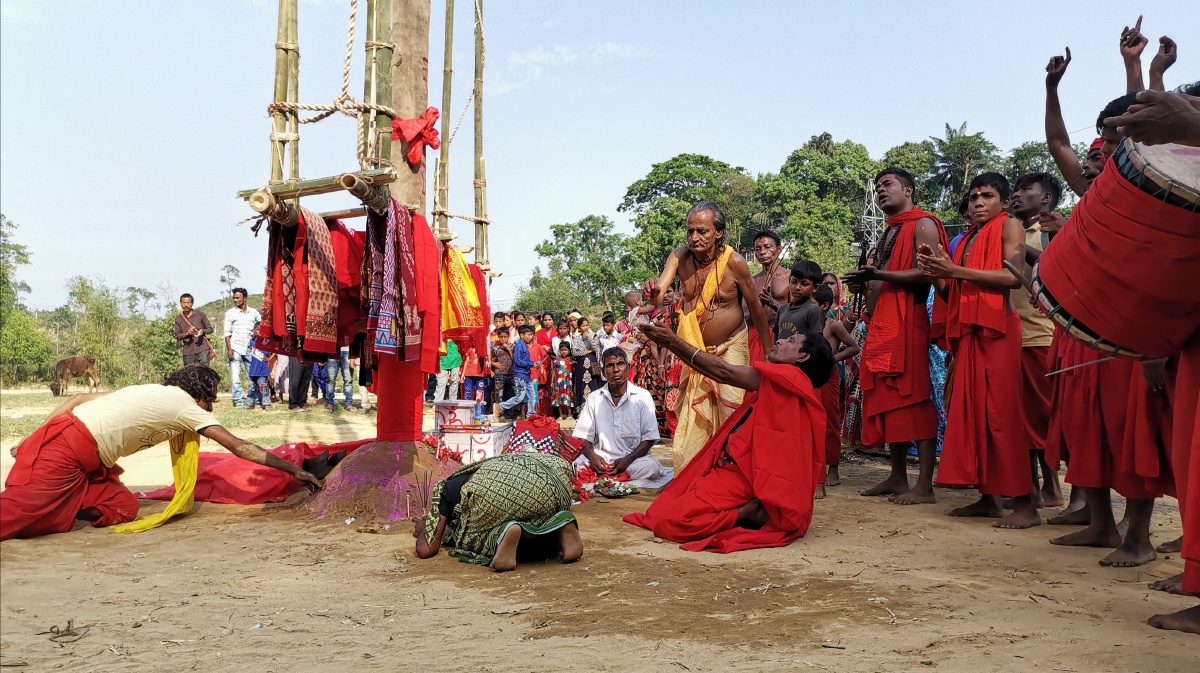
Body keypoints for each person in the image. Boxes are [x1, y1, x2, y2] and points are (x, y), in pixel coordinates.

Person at [0, 367, 321, 540]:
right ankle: (49, 506)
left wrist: (34, 435)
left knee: (122, 506)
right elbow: (239, 446)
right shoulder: (185, 406)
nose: (210, 408)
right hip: (66, 449)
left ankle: (60, 506)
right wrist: (293, 470)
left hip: (86, 461)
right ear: (200, 396)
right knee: (20, 511)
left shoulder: (154, 392)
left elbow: (81, 397)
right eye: (210, 400)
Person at [624, 321, 834, 552]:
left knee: (670, 523)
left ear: (802, 357)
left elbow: (722, 371)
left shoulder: (788, 378)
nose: (780, 340)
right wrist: (672, 344)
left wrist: (672, 341)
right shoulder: (795, 385)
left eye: (791, 342)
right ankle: (743, 508)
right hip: (741, 472)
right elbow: (715, 372)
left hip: (743, 476)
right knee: (667, 505)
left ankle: (748, 511)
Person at [918, 172, 1037, 529]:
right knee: (974, 416)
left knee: (1003, 416)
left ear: (1003, 201)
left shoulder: (1009, 226)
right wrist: (936, 271)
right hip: (970, 332)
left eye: (986, 196)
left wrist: (954, 269)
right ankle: (989, 499)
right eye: (973, 197)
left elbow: (1013, 277)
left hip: (999, 329)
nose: (978, 202)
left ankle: (1027, 504)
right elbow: (950, 292)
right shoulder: (966, 238)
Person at [842, 168, 947, 505]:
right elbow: (883, 277)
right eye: (877, 187)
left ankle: (925, 486)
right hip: (883, 325)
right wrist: (865, 283)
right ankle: (898, 477)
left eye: (887, 185)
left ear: (909, 189)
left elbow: (931, 272)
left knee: (914, 400)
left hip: (908, 323)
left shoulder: (924, 224)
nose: (880, 191)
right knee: (890, 402)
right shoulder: (889, 231)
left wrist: (880, 274)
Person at [643, 202, 773, 471]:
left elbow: (756, 309)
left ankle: (734, 474)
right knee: (694, 417)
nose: (694, 238)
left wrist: (769, 351)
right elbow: (658, 295)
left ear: (719, 233)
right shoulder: (679, 258)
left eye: (702, 231)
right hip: (695, 351)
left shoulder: (734, 262)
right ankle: (695, 477)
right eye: (690, 231)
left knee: (733, 413)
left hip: (732, 348)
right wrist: (652, 291)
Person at [415, 453, 582, 571]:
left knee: (471, 539)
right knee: (536, 519)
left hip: (494, 492)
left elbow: (426, 549)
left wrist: (426, 528)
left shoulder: (443, 489)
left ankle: (503, 533)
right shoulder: (486, 467)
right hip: (554, 483)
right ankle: (561, 522)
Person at [1010, 173, 1065, 508]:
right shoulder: (1017, 228)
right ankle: (1033, 487)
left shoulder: (1053, 232)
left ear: (1045, 199)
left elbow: (1055, 267)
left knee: (1043, 417)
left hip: (1040, 335)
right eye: (1015, 190)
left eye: (1026, 190)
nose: (1017, 195)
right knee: (1023, 418)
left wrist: (1016, 245)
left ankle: (1052, 487)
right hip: (1015, 336)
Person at [573, 348, 672, 489]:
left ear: (628, 368)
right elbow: (583, 437)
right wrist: (593, 456)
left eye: (620, 364)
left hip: (632, 461)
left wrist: (628, 459)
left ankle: (608, 479)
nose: (616, 370)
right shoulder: (594, 398)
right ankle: (614, 478)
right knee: (575, 463)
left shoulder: (642, 396)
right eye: (610, 365)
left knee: (650, 467)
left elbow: (649, 439)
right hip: (601, 462)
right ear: (602, 372)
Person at [813, 285, 859, 496]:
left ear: (824, 306)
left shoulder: (833, 325)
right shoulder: (805, 323)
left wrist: (833, 359)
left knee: (830, 420)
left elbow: (853, 347)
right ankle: (814, 469)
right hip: (808, 375)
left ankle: (833, 468)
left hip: (828, 375)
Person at [747, 230, 791, 361]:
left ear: (778, 249)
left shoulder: (790, 278)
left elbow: (798, 312)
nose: (762, 252)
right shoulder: (752, 281)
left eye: (767, 247)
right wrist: (757, 307)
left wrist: (774, 304)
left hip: (783, 335)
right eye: (758, 248)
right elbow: (744, 318)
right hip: (755, 335)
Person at [223, 288, 261, 409]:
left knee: (252, 376)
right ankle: (238, 399)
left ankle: (253, 398)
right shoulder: (230, 313)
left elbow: (262, 325)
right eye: (234, 298)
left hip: (250, 348)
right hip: (235, 348)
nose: (235, 300)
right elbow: (227, 333)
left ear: (245, 298)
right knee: (235, 377)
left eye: (237, 297)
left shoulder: (254, 313)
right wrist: (229, 349)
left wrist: (256, 333)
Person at [770, 260, 824, 340]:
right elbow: (775, 338)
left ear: (815, 288)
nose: (797, 287)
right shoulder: (782, 309)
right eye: (794, 282)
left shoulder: (813, 311)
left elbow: (816, 343)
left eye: (804, 284)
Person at [500, 326, 536, 420]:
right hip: (520, 375)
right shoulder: (519, 346)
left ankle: (531, 415)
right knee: (520, 396)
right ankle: (501, 406)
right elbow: (517, 361)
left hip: (526, 375)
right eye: (528, 334)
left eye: (532, 334)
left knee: (532, 396)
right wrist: (531, 364)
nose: (531, 337)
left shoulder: (524, 345)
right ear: (521, 335)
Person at [174, 293, 214, 367]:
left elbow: (210, 329)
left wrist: (202, 331)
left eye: (188, 302)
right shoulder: (178, 319)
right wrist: (186, 334)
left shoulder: (200, 315)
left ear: (192, 303)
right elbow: (177, 335)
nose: (186, 305)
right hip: (188, 351)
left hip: (202, 349)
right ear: (180, 303)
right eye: (184, 302)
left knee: (204, 373)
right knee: (189, 375)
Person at [571, 317, 603, 407]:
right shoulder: (576, 338)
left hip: (592, 366)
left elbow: (597, 349)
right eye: (583, 326)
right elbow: (573, 351)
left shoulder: (594, 336)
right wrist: (584, 352)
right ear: (579, 328)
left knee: (593, 385)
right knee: (581, 386)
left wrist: (590, 339)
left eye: (587, 325)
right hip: (581, 367)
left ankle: (595, 407)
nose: (585, 327)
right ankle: (582, 408)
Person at [489, 327, 515, 417]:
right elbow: (488, 360)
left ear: (508, 337)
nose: (503, 339)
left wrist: (508, 349)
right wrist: (494, 364)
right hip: (499, 374)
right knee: (499, 394)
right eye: (501, 337)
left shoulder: (513, 346)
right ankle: (500, 414)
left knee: (514, 394)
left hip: (511, 374)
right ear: (498, 337)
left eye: (505, 337)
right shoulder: (495, 348)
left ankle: (513, 413)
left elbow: (515, 360)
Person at [323, 346, 354, 411]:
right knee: (330, 379)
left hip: (347, 351)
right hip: (332, 350)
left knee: (348, 380)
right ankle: (330, 403)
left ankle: (349, 404)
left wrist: (353, 356)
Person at [247, 338, 272, 411]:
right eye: (257, 329)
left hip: (262, 370)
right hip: (253, 370)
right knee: (251, 388)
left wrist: (270, 358)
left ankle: (266, 404)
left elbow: (274, 350)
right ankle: (249, 403)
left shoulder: (265, 342)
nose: (259, 332)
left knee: (264, 387)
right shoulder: (251, 341)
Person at [551, 342, 575, 419]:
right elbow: (554, 371)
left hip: (568, 382)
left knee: (567, 398)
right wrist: (552, 381)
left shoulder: (571, 360)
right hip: (558, 382)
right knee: (559, 398)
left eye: (566, 350)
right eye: (562, 350)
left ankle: (569, 415)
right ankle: (560, 415)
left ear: (569, 351)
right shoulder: (557, 360)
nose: (564, 352)